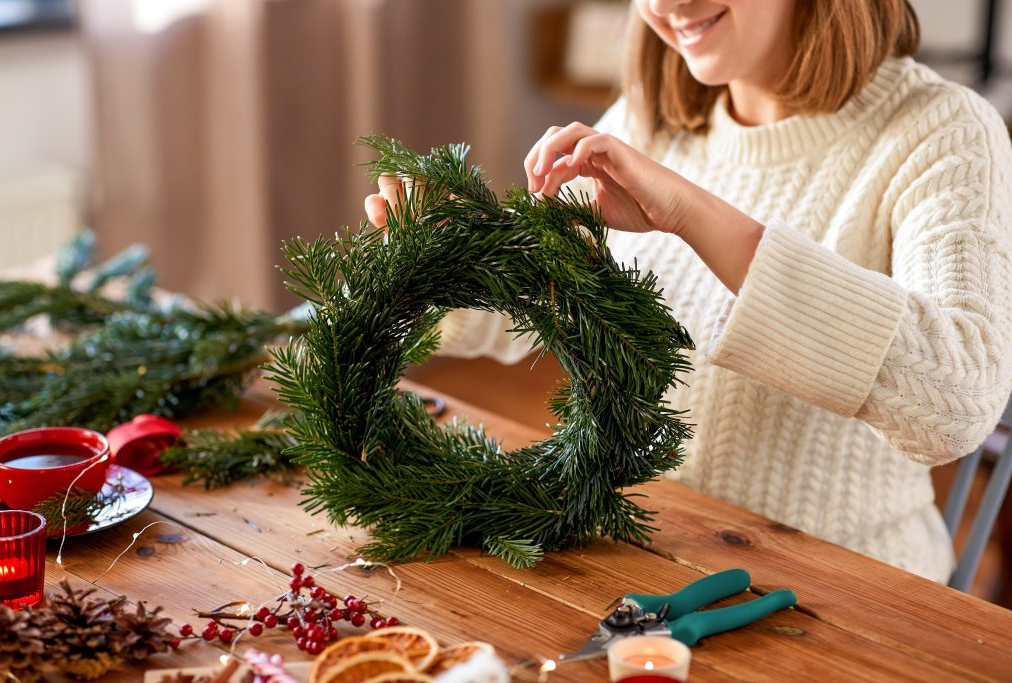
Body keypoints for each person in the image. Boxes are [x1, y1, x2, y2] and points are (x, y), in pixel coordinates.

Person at [365, 0, 1012, 583]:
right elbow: (556, 303)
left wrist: (692, 214)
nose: (668, 6)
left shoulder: (943, 130)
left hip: (842, 590)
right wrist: (455, 261)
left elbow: (958, 401)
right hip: (649, 561)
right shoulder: (650, 121)